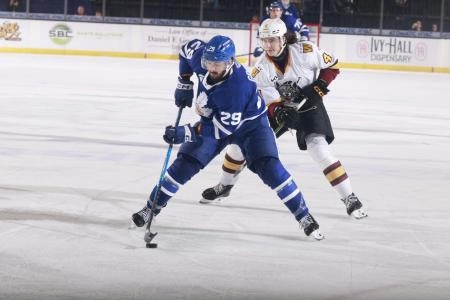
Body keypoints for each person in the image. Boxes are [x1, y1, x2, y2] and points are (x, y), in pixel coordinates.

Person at [131, 35, 324, 240]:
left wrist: (184, 133)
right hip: (215, 121)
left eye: (217, 64)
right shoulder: (203, 60)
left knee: (271, 169)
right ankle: (150, 208)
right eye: (208, 62)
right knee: (184, 164)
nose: (212, 68)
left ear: (230, 62)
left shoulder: (236, 88)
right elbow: (186, 49)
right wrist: (184, 81)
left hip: (251, 127)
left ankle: (304, 216)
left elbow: (221, 130)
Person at [201, 19, 367, 220]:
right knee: (238, 146)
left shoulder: (306, 50)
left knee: (319, 149)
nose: (268, 45)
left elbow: (333, 66)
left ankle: (349, 197)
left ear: (283, 39)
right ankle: (225, 185)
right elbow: (265, 98)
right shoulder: (260, 68)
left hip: (310, 105)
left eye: (272, 40)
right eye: (264, 40)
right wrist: (277, 111)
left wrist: (319, 86)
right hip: (282, 108)